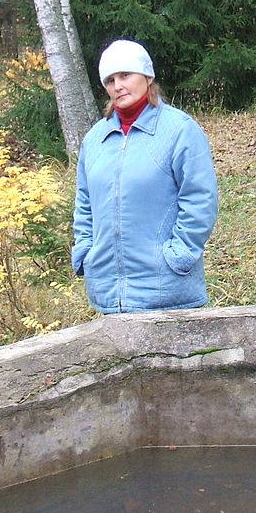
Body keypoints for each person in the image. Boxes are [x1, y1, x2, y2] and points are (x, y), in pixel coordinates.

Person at [72, 39, 219, 314]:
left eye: (125, 75)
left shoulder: (179, 131)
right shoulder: (95, 140)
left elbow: (200, 199)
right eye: (110, 80)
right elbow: (84, 203)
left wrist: (179, 256)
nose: (118, 86)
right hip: (109, 298)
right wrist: (85, 252)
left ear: (148, 77)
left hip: (167, 295)